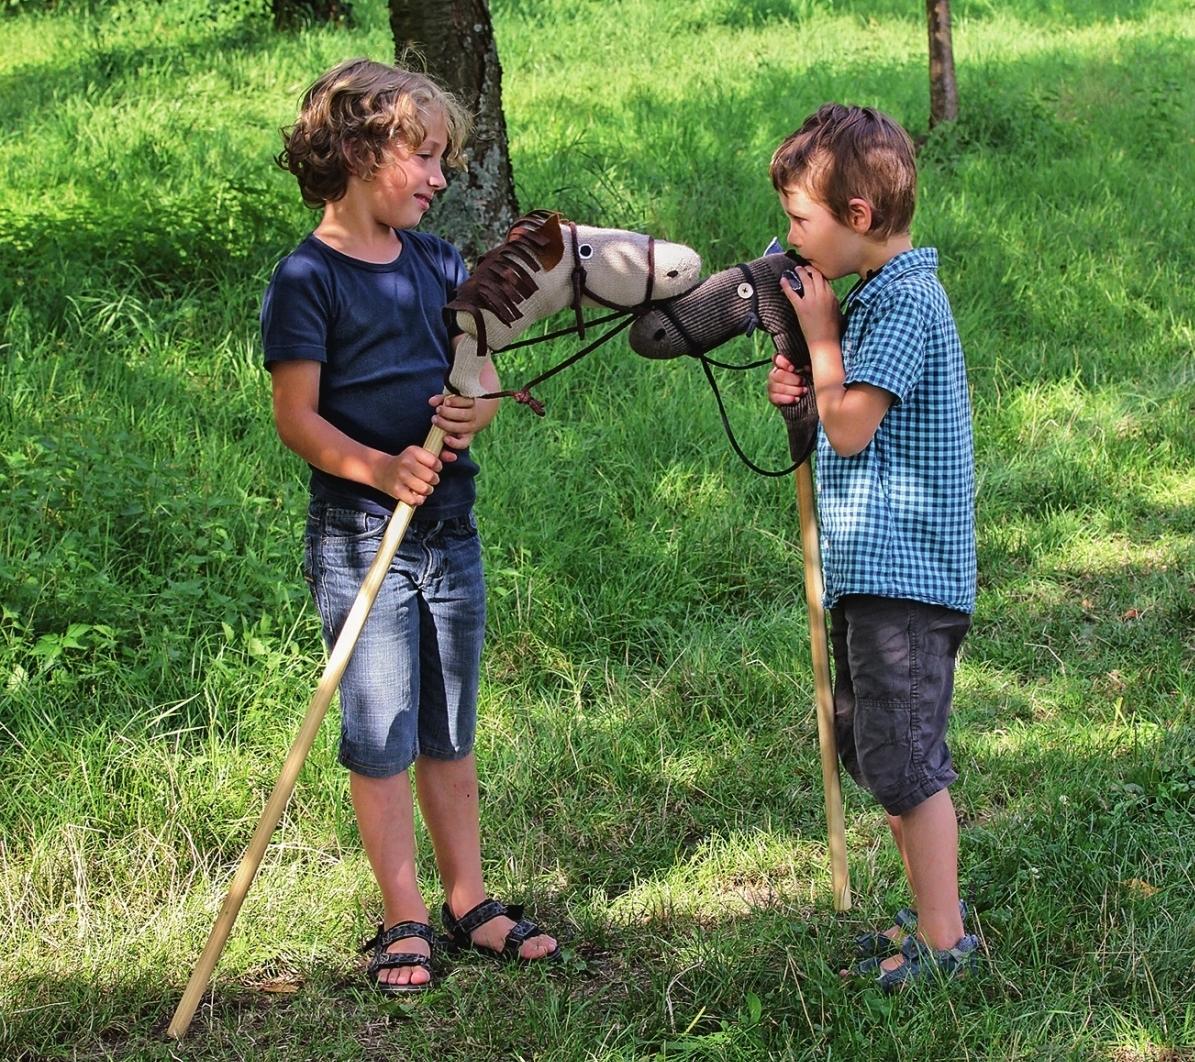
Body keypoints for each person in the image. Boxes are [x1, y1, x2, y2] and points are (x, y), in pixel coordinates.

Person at [261, 57, 559, 994]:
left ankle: (468, 898)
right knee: (382, 728)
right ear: (356, 152)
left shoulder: (438, 265)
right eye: (423, 157)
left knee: (450, 722)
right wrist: (380, 467)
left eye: (444, 160)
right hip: (361, 540)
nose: (439, 177)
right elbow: (297, 419)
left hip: (449, 533)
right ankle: (402, 914)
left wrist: (479, 408)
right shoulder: (308, 279)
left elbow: (478, 378)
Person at [766, 103, 979, 990]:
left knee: (904, 757)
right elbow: (835, 413)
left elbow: (850, 425)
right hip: (871, 570)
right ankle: (928, 914)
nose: (789, 239)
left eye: (798, 220)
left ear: (855, 219)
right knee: (873, 748)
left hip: (908, 577)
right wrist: (801, 389)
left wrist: (821, 345)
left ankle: (945, 938)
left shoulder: (901, 302)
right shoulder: (875, 296)